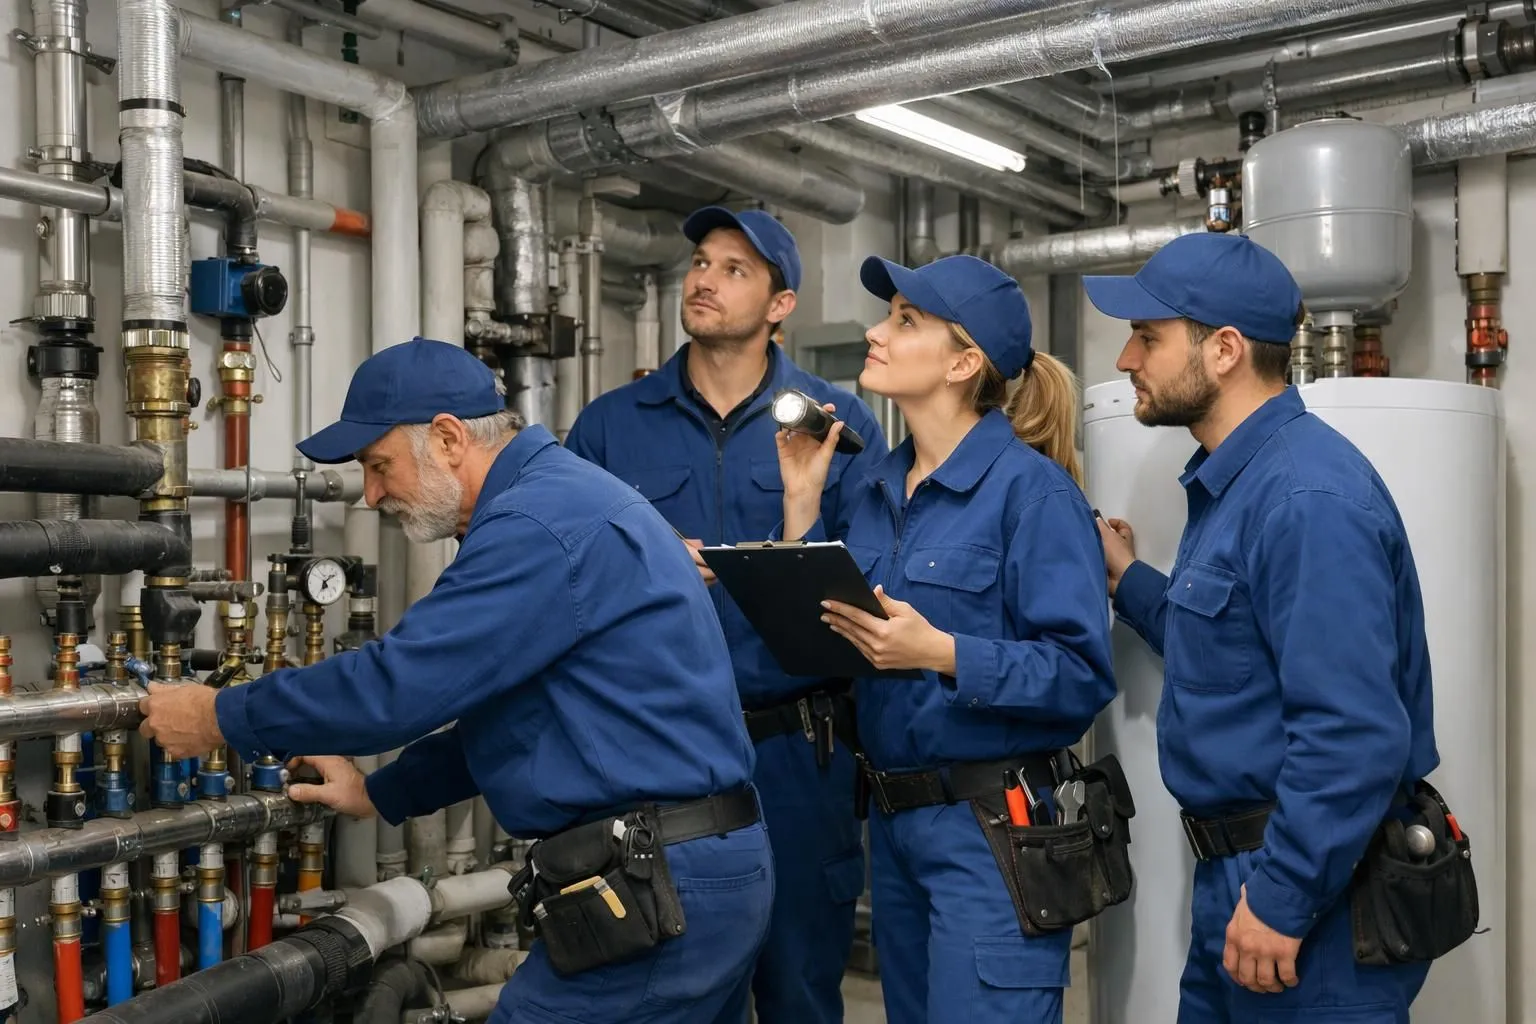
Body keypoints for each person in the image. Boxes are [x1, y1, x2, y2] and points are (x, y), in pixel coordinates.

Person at [137, 337, 773, 1024]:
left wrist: (219, 715)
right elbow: (518, 715)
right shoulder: (559, 499)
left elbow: (398, 686)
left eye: (379, 467)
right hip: (693, 866)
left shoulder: (537, 525)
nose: (372, 494)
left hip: (658, 884)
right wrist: (381, 791)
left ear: (446, 439)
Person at [1085, 232, 1438, 1022]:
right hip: (1243, 886)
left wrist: (1282, 896)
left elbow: (1353, 732)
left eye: (1147, 337)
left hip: (1312, 901)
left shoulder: (1305, 500)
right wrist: (1131, 583)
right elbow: (1228, 651)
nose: (1124, 360)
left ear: (1226, 350)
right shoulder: (1239, 487)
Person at [566, 206, 887, 1024]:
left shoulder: (836, 425)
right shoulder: (611, 426)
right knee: (668, 994)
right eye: (701, 261)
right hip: (652, 759)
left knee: (801, 993)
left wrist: (794, 528)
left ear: (782, 306)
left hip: (797, 753)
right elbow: (559, 579)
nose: (704, 278)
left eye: (735, 269)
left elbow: (872, 592)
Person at [776, 253, 1115, 1024]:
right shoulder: (869, 490)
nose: (876, 330)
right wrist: (802, 507)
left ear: (965, 362)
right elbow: (823, 646)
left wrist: (943, 652)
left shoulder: (1033, 494)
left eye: (904, 320)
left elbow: (1080, 678)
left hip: (989, 835)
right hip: (893, 830)